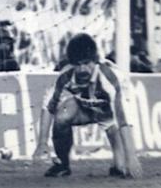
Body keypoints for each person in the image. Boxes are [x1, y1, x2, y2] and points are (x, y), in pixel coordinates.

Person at [32, 33, 142, 178]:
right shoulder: (65, 75)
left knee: (120, 169)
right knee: (62, 116)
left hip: (110, 113)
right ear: (71, 63)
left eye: (86, 63)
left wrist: (132, 157)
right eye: (78, 64)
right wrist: (42, 143)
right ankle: (62, 165)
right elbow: (48, 106)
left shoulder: (110, 77)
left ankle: (119, 161)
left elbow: (124, 119)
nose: (82, 69)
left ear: (95, 60)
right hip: (84, 108)